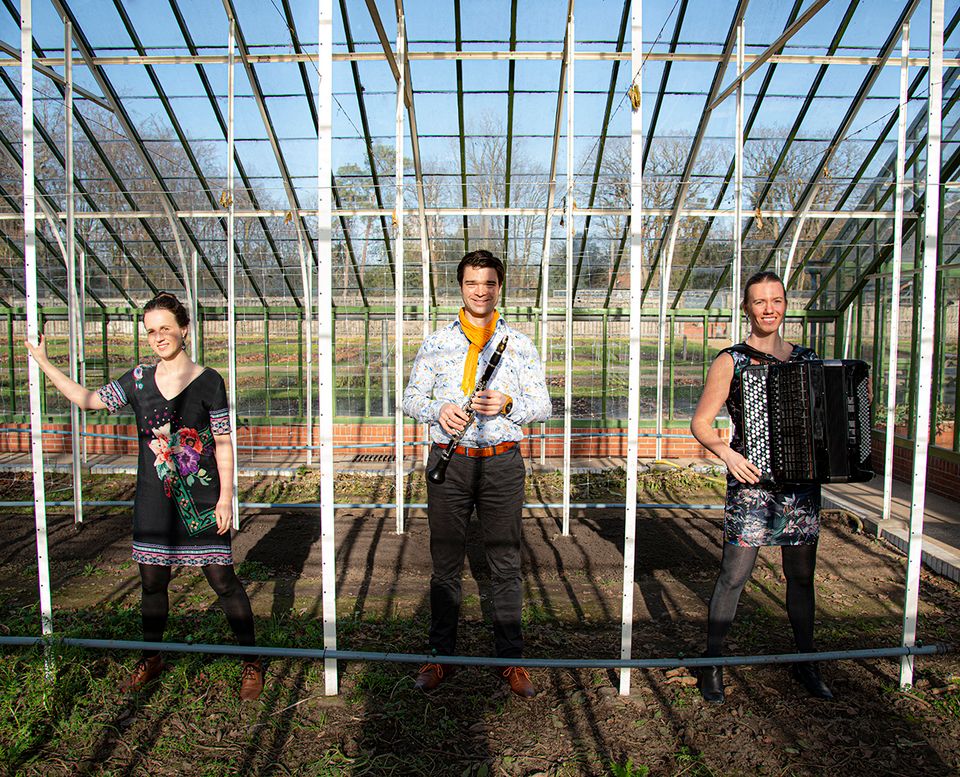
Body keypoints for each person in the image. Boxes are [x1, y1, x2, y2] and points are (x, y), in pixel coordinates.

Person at [25, 292, 263, 701]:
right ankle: (151, 659)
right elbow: (88, 400)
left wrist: (226, 498)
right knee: (153, 583)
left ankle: (251, 662)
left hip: (204, 501)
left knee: (222, 580)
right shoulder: (137, 380)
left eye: (165, 328)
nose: (158, 337)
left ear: (184, 329)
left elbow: (223, 442)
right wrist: (44, 363)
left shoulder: (210, 381)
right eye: (151, 331)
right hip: (154, 499)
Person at [402, 249, 552, 698]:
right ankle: (440, 656)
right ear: (461, 287)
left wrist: (509, 403)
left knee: (505, 563)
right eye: (472, 283)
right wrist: (437, 409)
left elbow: (543, 406)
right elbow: (410, 397)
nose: (480, 291)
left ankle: (510, 660)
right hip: (451, 462)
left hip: (502, 463)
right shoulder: (436, 342)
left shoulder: (520, 344)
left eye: (488, 283)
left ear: (499, 287)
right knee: (445, 563)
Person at [690, 271, 832, 704]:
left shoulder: (808, 360)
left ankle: (806, 661)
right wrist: (729, 455)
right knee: (734, 575)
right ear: (747, 308)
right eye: (759, 301)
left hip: (800, 486)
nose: (769, 309)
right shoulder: (731, 360)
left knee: (801, 577)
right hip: (751, 484)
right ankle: (712, 664)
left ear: (785, 305)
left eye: (776, 300)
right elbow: (701, 423)